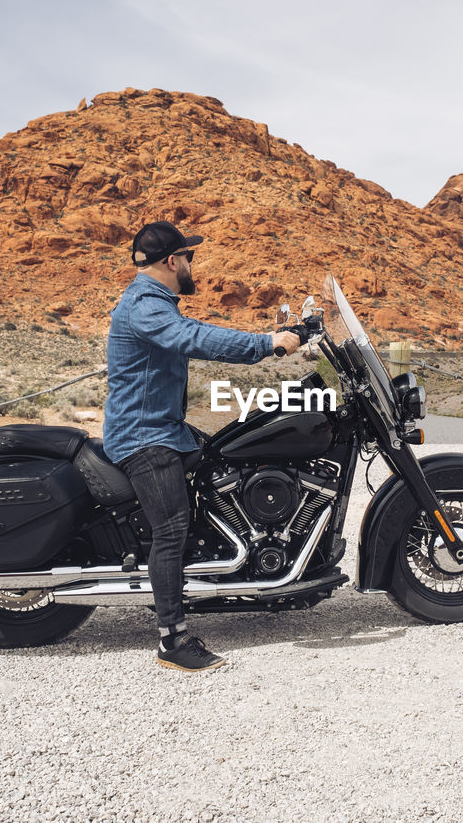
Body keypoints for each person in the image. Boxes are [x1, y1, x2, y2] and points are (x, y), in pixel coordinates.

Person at [103, 221, 300, 672]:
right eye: (189, 258)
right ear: (172, 261)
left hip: (162, 426)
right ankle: (172, 641)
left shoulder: (152, 302)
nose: (193, 266)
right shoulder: (145, 307)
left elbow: (191, 334)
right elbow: (193, 337)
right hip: (143, 436)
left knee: (227, 458)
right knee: (171, 527)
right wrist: (266, 344)